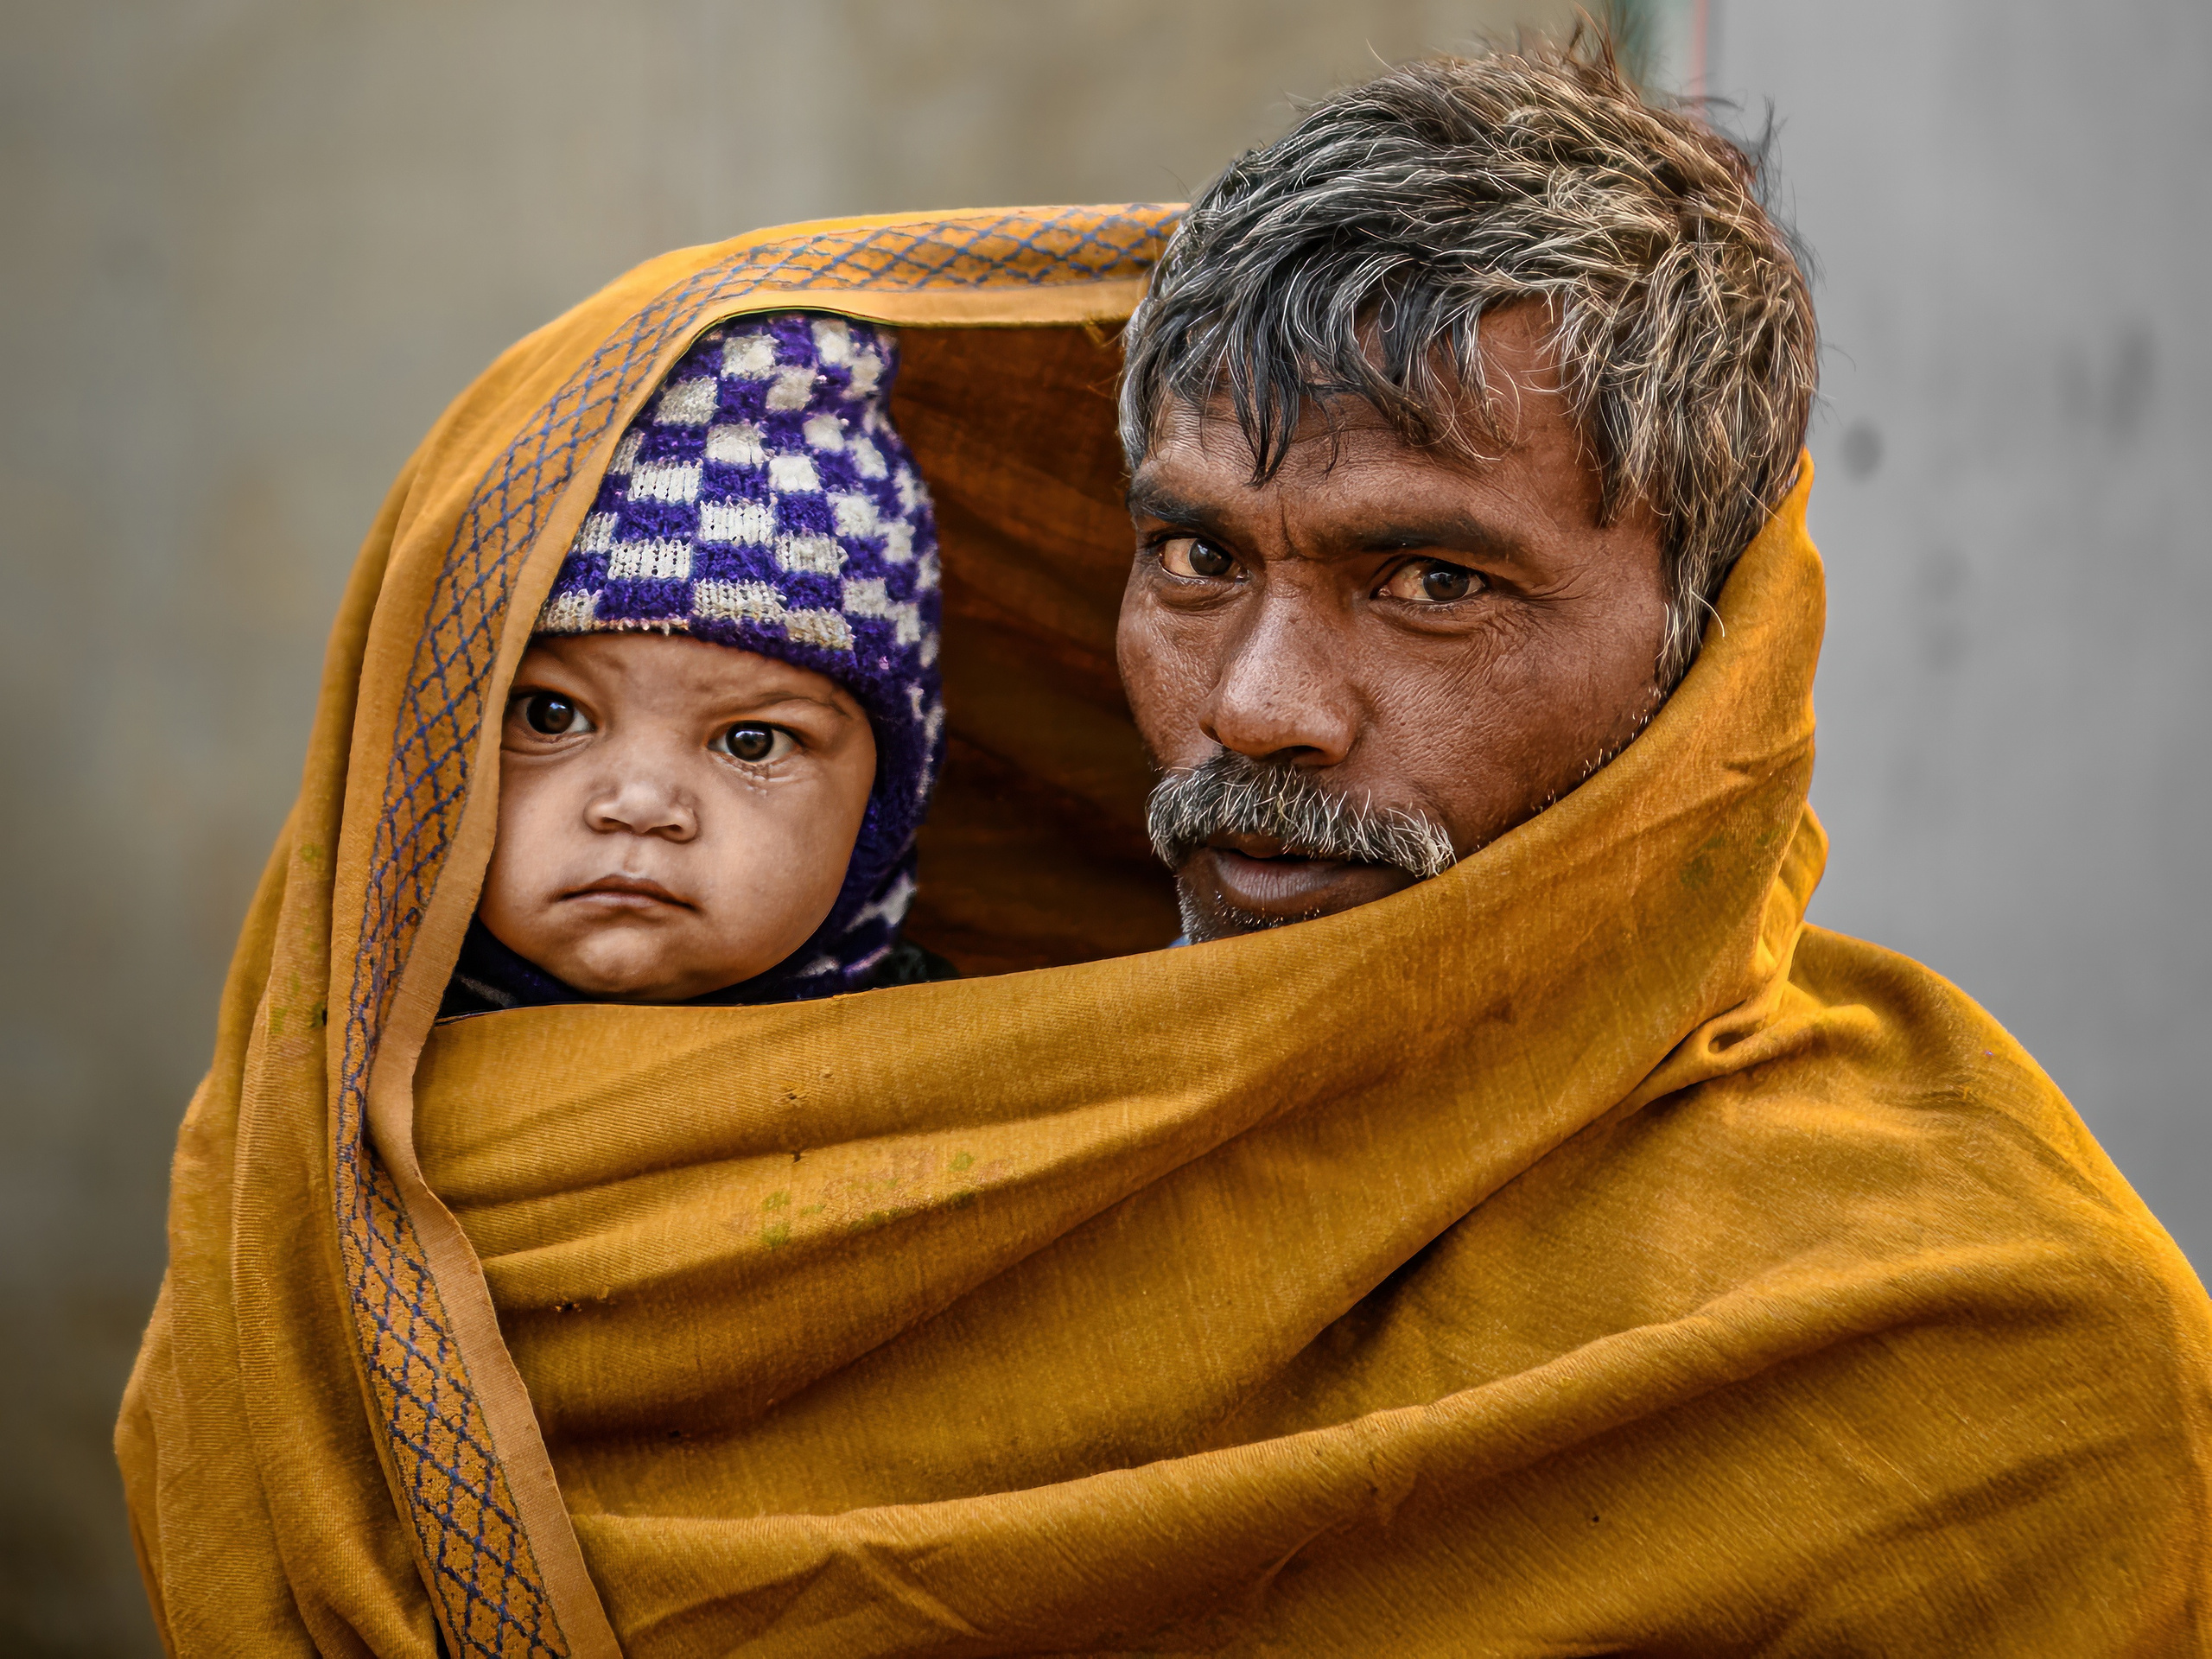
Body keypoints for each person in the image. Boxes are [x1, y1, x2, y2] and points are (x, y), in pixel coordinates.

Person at [121, 35, 2210, 1659]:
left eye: (1430, 584)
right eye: (1195, 555)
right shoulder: (771, 1102)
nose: (1252, 703)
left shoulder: (1970, 1342)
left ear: (1706, 658)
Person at [441, 312, 954, 1018]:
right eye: (549, 716)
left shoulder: (960, 1084)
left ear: (885, 809)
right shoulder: (323, 1084)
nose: (641, 807)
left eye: (753, 741)